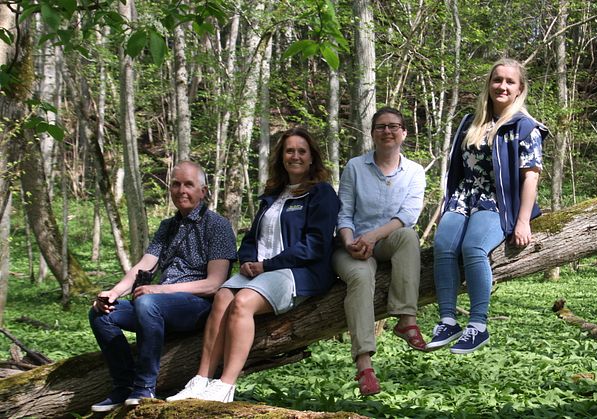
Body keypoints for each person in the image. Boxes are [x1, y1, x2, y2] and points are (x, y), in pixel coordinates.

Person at [166, 127, 340, 403]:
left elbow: (316, 244)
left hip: (297, 272)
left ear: (311, 158)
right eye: (289, 151)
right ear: (282, 156)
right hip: (261, 269)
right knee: (223, 295)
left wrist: (267, 265)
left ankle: (225, 385)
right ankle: (201, 380)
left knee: (243, 302)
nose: (294, 156)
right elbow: (252, 236)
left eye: (301, 151)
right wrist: (248, 260)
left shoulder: (322, 193)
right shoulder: (274, 193)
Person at [89, 161, 237, 412]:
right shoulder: (168, 226)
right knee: (101, 314)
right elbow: (144, 265)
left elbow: (215, 284)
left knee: (147, 302)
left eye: (189, 184)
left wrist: (160, 290)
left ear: (203, 191)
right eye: (176, 184)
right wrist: (113, 293)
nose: (182, 190)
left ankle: (145, 387)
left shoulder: (217, 226)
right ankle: (123, 386)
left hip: (197, 306)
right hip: (158, 307)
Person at [427, 58, 547, 355]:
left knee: (473, 248)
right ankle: (448, 320)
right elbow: (455, 169)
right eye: (497, 80)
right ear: (489, 84)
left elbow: (530, 176)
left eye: (509, 81)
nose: (502, 86)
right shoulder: (470, 122)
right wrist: (446, 204)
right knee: (443, 245)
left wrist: (522, 222)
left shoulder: (525, 127)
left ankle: (477, 326)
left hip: (499, 201)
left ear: (520, 89)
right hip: (463, 197)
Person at [333, 107, 427, 396]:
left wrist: (372, 238)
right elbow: (344, 213)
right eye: (381, 127)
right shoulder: (355, 167)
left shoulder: (413, 172)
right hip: (351, 246)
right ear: (372, 133)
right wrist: (349, 241)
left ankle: (406, 320)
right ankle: (364, 365)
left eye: (394, 126)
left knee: (408, 236)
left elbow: (408, 215)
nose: (387, 131)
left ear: (404, 133)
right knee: (360, 278)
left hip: (384, 241)